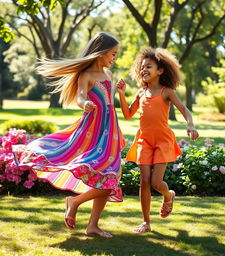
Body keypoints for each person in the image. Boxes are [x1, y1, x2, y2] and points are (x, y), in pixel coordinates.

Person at [13, 32, 125, 238]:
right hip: (92, 131)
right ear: (100, 53)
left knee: (110, 176)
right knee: (107, 177)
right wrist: (86, 104)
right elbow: (81, 96)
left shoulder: (108, 75)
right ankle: (74, 202)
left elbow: (111, 105)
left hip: (110, 132)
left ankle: (93, 225)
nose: (114, 58)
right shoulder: (87, 75)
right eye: (113, 54)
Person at [116, 47, 199, 233]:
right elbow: (128, 114)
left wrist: (191, 125)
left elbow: (185, 110)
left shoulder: (166, 92)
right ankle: (146, 222)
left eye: (149, 67)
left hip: (162, 141)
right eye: (142, 67)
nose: (144, 70)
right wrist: (121, 94)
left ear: (160, 70)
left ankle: (168, 195)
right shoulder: (140, 93)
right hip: (144, 140)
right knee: (144, 181)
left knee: (155, 182)